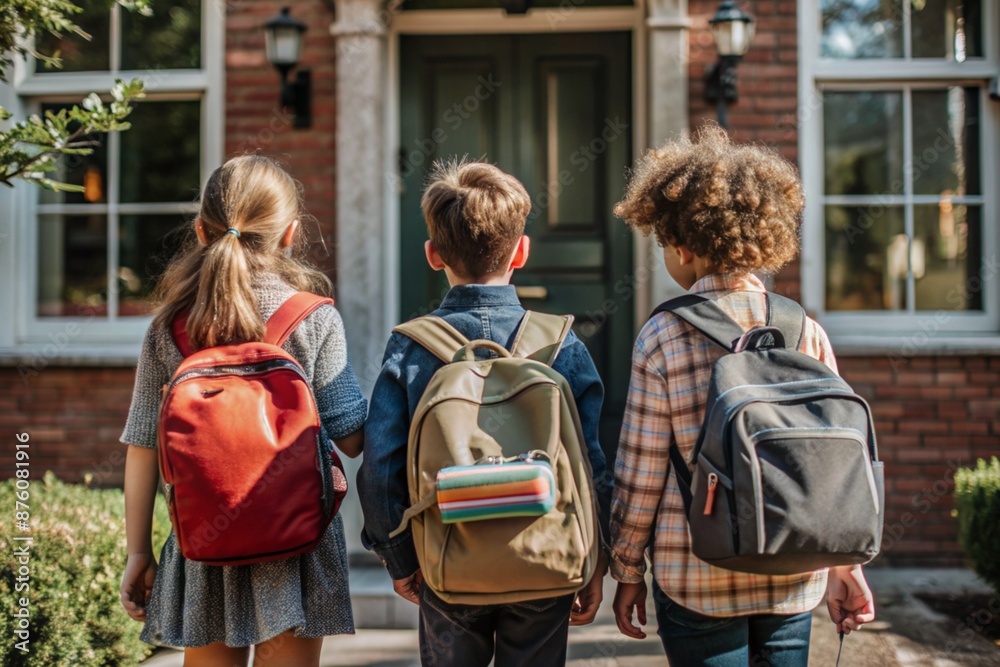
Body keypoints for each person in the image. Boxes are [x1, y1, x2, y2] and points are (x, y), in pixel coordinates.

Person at [609, 126, 876, 666]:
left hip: (697, 573)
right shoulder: (806, 330)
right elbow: (830, 459)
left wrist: (627, 570)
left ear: (683, 246)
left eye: (664, 244)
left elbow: (641, 475)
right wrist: (847, 565)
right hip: (793, 569)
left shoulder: (662, 336)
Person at [358, 159, 611, 667]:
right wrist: (594, 558)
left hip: (450, 555)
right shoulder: (562, 344)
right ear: (523, 250)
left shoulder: (410, 349)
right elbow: (591, 465)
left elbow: (382, 465)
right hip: (546, 552)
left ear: (433, 255)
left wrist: (399, 557)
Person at [119, 155, 367, 667]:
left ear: (200, 230)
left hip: (205, 545)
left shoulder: (170, 327)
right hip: (298, 543)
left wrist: (139, 553)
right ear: (291, 233)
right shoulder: (313, 318)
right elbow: (351, 436)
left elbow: (144, 446)